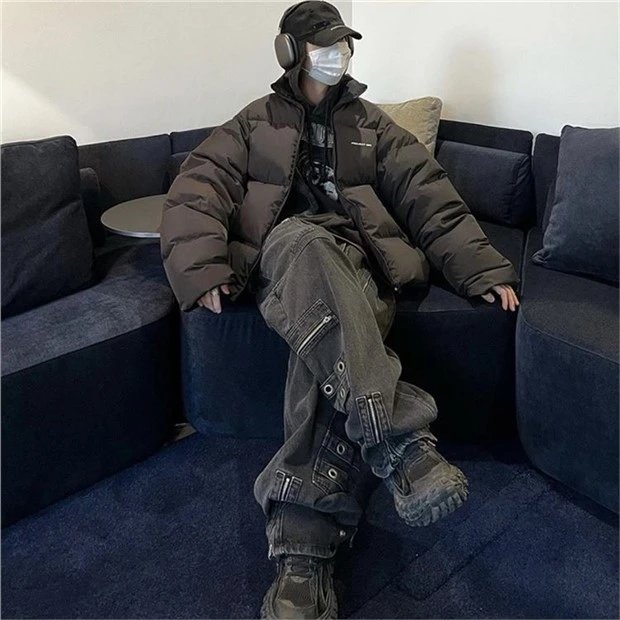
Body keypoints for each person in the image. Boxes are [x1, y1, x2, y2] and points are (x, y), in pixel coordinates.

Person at [159, 1, 520, 617]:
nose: (340, 55)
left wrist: (480, 268)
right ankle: (401, 443)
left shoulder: (372, 125)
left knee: (323, 350)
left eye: (345, 44)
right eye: (325, 45)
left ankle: (302, 554)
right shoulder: (253, 122)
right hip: (285, 254)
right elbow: (197, 188)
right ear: (290, 53)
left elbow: (428, 195)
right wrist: (204, 269)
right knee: (302, 243)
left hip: (355, 263)